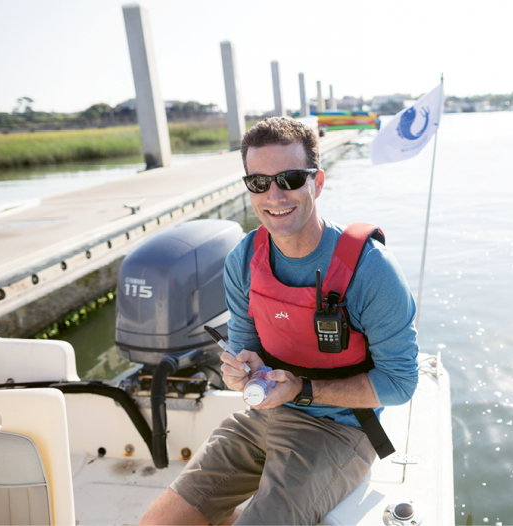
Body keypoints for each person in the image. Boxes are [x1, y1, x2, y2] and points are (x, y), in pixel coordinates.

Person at [140, 117, 419, 526]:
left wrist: (303, 389)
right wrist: (240, 372)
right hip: (264, 416)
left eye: (290, 178)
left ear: (317, 183)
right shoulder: (242, 260)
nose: (274, 194)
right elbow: (245, 350)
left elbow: (400, 384)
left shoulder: (371, 270)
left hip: (341, 431)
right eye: (259, 182)